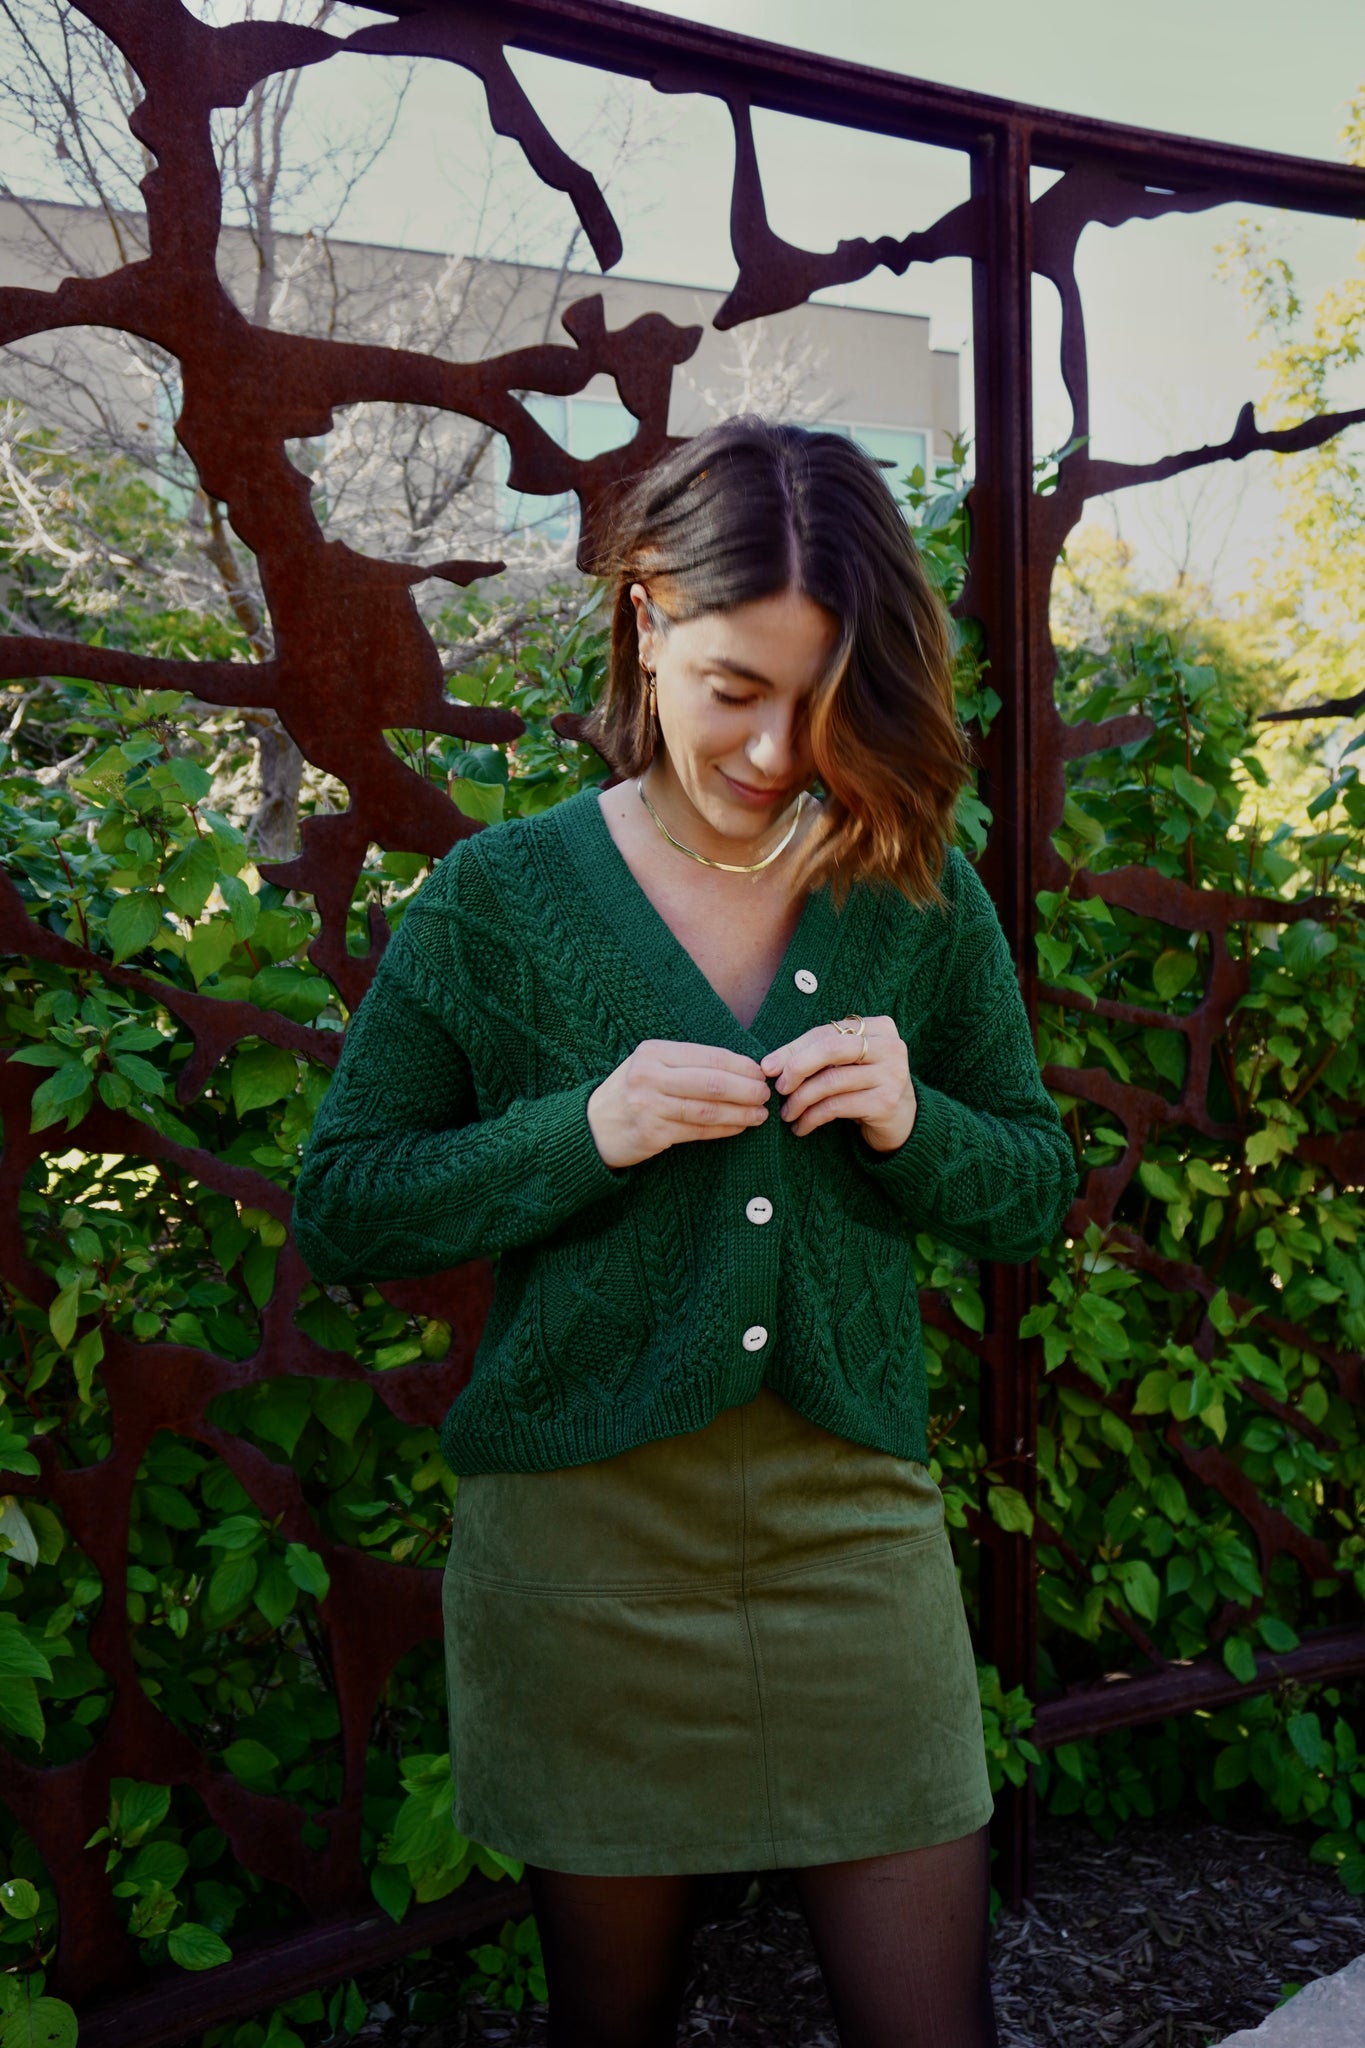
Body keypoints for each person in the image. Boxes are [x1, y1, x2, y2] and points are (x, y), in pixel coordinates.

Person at [291, 415, 1077, 2048]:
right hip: (582, 1548)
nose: (777, 749)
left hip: (847, 1532)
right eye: (735, 687)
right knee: (618, 2022)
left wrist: (918, 1121)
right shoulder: (498, 900)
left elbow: (1031, 1191)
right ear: (646, 620)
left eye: (820, 699)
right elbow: (349, 1208)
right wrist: (582, 1132)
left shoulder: (913, 891)